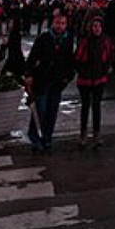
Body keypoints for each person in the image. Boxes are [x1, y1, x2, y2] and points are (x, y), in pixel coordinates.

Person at [24, 8, 76, 152]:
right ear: (53, 23)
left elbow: (70, 61)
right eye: (58, 23)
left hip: (58, 82)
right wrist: (29, 74)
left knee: (52, 111)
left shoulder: (68, 39)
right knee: (40, 110)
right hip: (42, 81)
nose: (60, 26)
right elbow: (32, 58)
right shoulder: (44, 38)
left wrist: (67, 77)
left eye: (63, 23)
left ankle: (47, 138)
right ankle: (36, 138)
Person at [75, 11, 113, 148]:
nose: (97, 28)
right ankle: (83, 133)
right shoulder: (85, 42)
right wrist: (84, 72)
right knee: (86, 107)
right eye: (95, 26)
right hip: (86, 80)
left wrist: (104, 70)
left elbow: (109, 58)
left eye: (99, 26)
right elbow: (78, 60)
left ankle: (96, 133)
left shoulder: (105, 42)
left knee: (96, 107)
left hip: (99, 79)